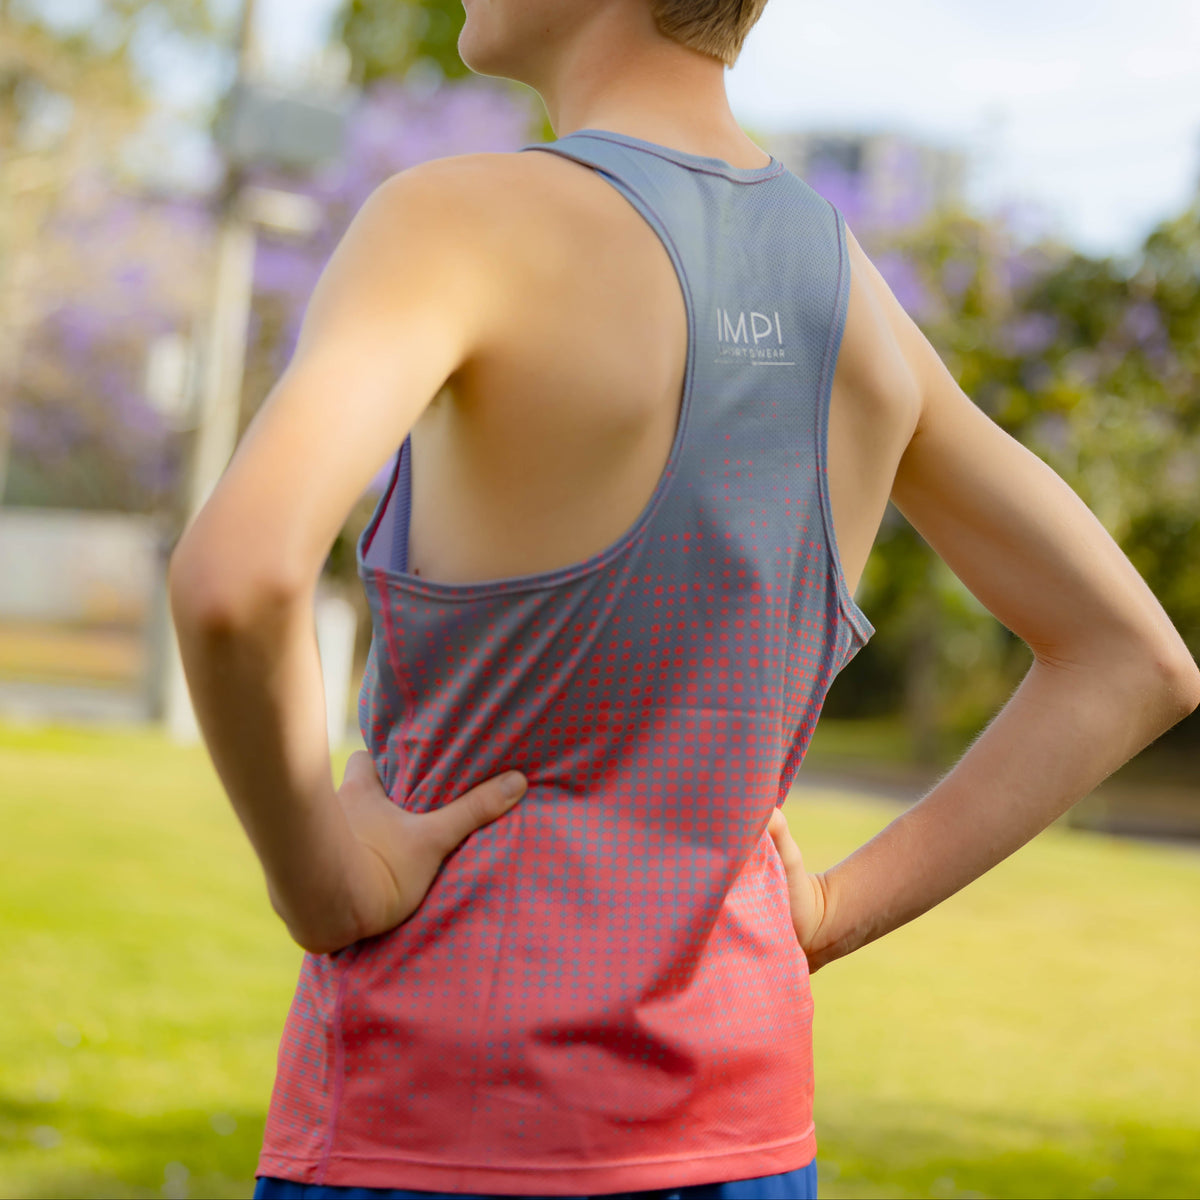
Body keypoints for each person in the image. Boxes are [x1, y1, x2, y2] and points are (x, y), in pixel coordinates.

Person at [167, 2, 1200, 1198]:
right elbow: (1133, 660)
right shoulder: (850, 299)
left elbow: (236, 581)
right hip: (746, 1143)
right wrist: (823, 914)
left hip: (439, 1127)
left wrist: (328, 885)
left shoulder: (457, 223)